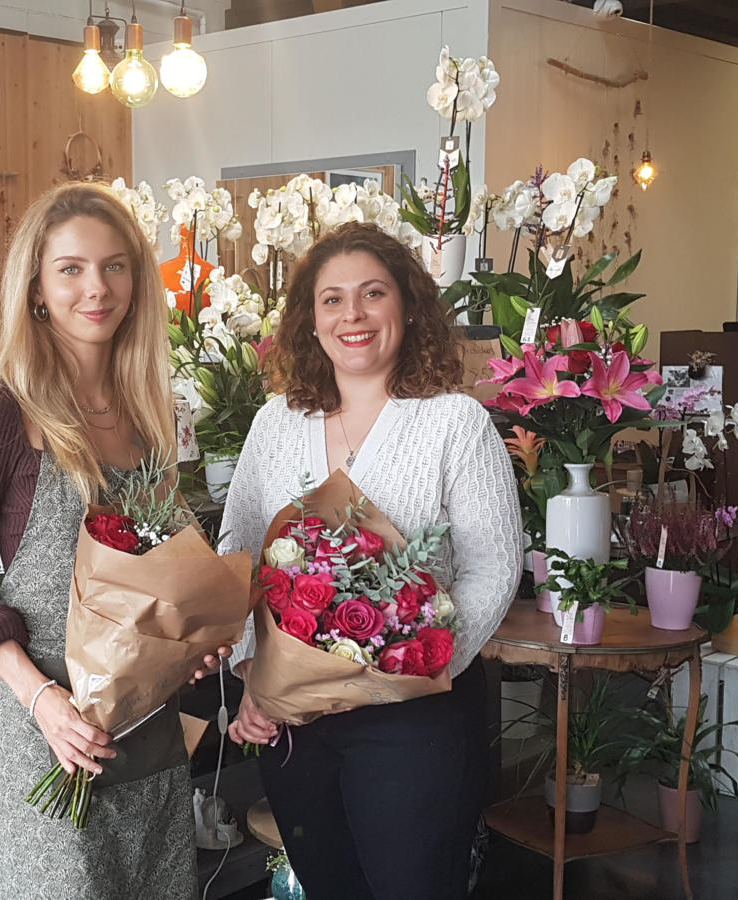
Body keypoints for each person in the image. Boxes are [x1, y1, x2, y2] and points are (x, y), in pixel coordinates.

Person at [219, 222, 522, 900]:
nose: (351, 315)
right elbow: (236, 551)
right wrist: (252, 673)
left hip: (412, 722)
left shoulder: (453, 423)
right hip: (295, 723)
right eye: (331, 299)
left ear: (407, 308)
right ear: (309, 320)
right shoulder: (275, 423)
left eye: (372, 293)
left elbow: (494, 568)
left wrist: (418, 660)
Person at [0, 182, 201, 899]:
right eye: (72, 269)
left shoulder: (148, 414)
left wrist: (191, 643)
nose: (97, 288)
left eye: (115, 266)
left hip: (149, 745)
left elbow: (163, 571)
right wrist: (44, 700)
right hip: (48, 740)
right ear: (38, 288)